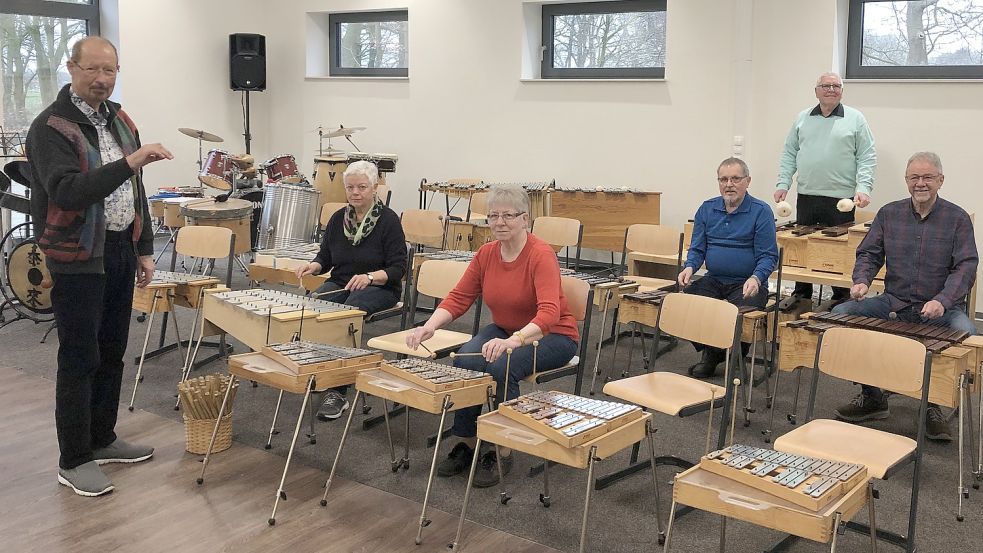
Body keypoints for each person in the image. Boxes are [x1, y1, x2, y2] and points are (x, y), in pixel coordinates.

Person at [26, 37, 173, 497]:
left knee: (112, 349)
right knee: (79, 356)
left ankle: (102, 438)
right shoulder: (50, 127)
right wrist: (131, 161)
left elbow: (136, 192)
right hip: (76, 255)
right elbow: (68, 192)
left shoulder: (121, 120)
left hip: (119, 251)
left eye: (110, 71)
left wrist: (144, 246)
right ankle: (73, 459)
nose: (102, 80)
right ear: (71, 68)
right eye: (92, 70)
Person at [405, 184, 579, 488]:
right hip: (507, 329)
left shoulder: (540, 255)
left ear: (525, 218)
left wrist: (513, 341)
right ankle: (467, 441)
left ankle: (502, 448)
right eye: (493, 216)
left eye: (508, 216)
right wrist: (429, 325)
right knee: (466, 360)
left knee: (503, 367)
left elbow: (549, 314)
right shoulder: (486, 254)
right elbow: (459, 297)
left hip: (553, 335)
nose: (499, 222)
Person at [832, 152, 978, 442]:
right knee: (841, 314)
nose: (920, 183)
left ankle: (935, 403)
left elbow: (966, 266)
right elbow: (869, 253)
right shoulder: (888, 214)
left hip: (941, 308)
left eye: (927, 178)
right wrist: (861, 281)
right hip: (893, 303)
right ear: (907, 181)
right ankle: (872, 396)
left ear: (940, 180)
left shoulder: (957, 218)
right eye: (914, 178)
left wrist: (943, 300)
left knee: (967, 334)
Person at [295, 160, 407, 420]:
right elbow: (326, 256)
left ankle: (338, 390)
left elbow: (398, 268)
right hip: (342, 281)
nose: (355, 192)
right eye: (350, 187)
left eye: (362, 187)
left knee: (345, 316)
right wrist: (313, 266)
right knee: (313, 306)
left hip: (381, 287)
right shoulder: (338, 219)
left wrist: (369, 277)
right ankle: (322, 368)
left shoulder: (388, 221)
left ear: (375, 188)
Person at [774, 72, 877, 305]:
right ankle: (801, 296)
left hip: (841, 198)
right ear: (816, 90)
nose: (831, 89)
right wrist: (783, 183)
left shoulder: (855, 118)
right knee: (802, 248)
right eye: (826, 85)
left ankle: (841, 298)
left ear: (841, 91)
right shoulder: (802, 118)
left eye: (836, 86)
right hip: (807, 195)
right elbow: (790, 152)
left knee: (837, 251)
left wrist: (863, 188)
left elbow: (867, 155)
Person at [678, 157, 779, 378]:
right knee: (686, 302)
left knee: (742, 311)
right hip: (714, 278)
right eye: (723, 179)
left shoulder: (761, 211)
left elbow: (769, 256)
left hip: (747, 281)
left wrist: (757, 278)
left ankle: (736, 358)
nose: (729, 184)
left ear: (747, 181)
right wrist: (690, 267)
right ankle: (711, 353)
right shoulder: (707, 209)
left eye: (735, 178)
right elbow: (697, 249)